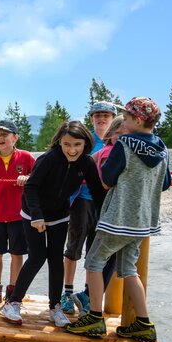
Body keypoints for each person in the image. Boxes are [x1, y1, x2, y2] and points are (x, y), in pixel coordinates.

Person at [66, 97, 171, 342]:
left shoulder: (124, 144)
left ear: (136, 119)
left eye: (125, 117)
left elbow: (107, 180)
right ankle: (144, 324)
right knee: (129, 270)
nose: (121, 120)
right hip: (143, 222)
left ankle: (93, 318)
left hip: (117, 218)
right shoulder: (162, 148)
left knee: (93, 262)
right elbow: (165, 183)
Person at [0, 121, 105, 327]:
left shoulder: (86, 163)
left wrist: (106, 216)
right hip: (33, 214)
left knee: (56, 259)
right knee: (37, 257)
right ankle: (12, 303)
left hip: (59, 214)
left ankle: (55, 307)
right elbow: (31, 188)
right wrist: (37, 216)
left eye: (77, 145)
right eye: (67, 144)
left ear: (85, 144)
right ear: (59, 142)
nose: (72, 150)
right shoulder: (48, 159)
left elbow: (97, 192)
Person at [61, 101, 118, 315]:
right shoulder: (86, 140)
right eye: (97, 115)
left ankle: (87, 294)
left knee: (95, 251)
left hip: (104, 203)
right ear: (91, 118)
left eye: (106, 115)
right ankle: (67, 292)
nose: (101, 119)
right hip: (81, 200)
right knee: (73, 247)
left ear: (113, 119)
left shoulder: (116, 141)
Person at [0, 120, 34, 305]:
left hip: (19, 215)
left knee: (17, 253)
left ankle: (13, 290)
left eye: (5, 134)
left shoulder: (26, 157)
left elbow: (39, 178)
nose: (0, 138)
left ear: (15, 138)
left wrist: (28, 178)